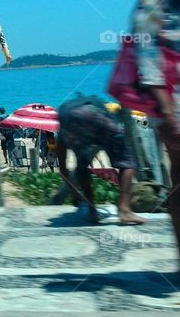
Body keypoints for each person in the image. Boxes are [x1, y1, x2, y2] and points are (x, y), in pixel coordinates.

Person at [132, 0, 180, 282]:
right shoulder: (151, 6)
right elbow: (148, 62)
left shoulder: (176, 6)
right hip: (176, 108)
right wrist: (168, 116)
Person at [55, 95, 145, 226]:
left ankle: (92, 211)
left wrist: (75, 194)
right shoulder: (98, 106)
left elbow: (63, 167)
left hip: (68, 122)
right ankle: (124, 209)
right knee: (127, 161)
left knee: (82, 165)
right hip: (95, 116)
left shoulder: (63, 131)